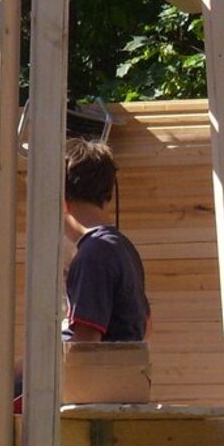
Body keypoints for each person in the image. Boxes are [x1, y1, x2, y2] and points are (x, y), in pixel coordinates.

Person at [62, 137, 151, 343]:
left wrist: (20, 371)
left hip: (96, 375)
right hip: (123, 372)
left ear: (62, 202)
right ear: (107, 196)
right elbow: (148, 325)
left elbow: (85, 347)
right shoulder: (122, 247)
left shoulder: (93, 255)